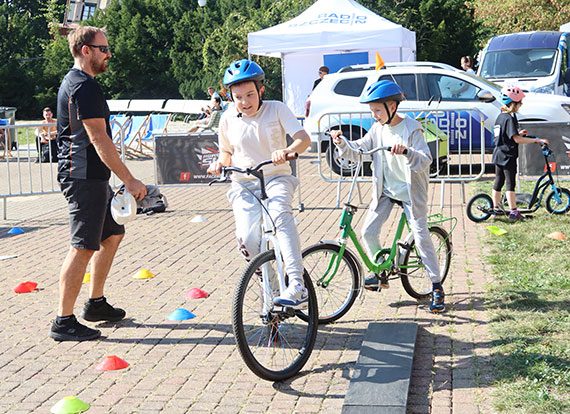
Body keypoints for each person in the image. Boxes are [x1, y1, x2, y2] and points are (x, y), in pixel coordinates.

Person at [49, 26, 147, 342]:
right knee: (82, 247)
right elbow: (98, 138)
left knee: (113, 235)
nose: (109, 54)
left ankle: (96, 304)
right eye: (103, 48)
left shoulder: (80, 83)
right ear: (85, 50)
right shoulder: (83, 86)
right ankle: (63, 322)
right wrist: (129, 179)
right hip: (82, 177)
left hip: (91, 177)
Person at [330, 80, 446, 313]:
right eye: (371, 111)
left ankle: (436, 285)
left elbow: (426, 159)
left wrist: (407, 151)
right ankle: (380, 272)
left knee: (421, 236)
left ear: (392, 106)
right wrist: (341, 142)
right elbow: (359, 150)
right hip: (386, 190)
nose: (374, 115)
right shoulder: (377, 129)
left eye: (377, 110)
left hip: (410, 192)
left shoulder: (411, 128)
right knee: (367, 231)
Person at [207, 59, 311, 309]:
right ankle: (272, 286)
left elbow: (303, 139)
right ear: (230, 96)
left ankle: (297, 285)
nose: (244, 102)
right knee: (247, 239)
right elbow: (226, 151)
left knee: (280, 216)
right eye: (238, 96)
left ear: (261, 91)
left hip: (276, 176)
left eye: (250, 95)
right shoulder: (227, 118)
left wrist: (287, 150)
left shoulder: (276, 109)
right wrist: (219, 162)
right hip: (243, 183)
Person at [492, 85, 548, 220]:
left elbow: (507, 135)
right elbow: (516, 140)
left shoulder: (501, 116)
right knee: (510, 183)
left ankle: (495, 208)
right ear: (513, 103)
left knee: (498, 181)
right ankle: (513, 211)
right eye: (519, 103)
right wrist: (536, 140)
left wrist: (518, 133)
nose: (521, 105)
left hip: (498, 153)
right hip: (508, 156)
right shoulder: (509, 118)